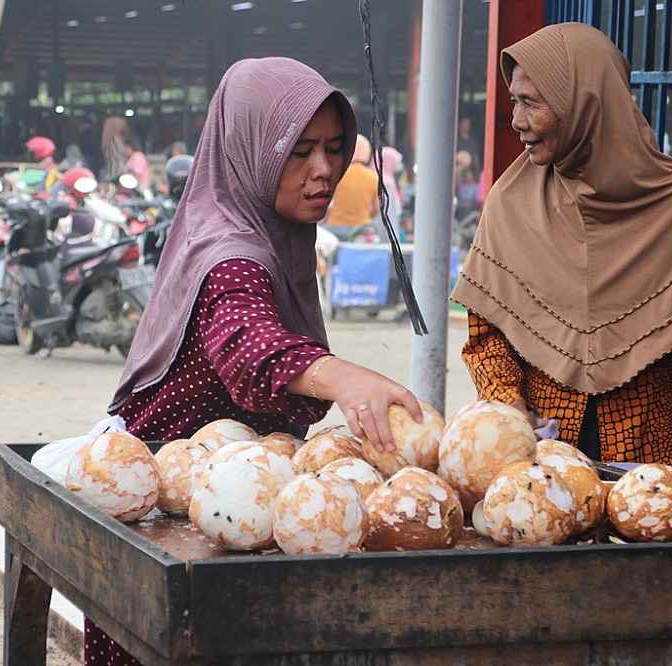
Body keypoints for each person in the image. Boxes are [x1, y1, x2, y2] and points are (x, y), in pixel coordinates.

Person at [88, 58, 423, 665]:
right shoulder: (232, 253)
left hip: (222, 524)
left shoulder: (265, 229)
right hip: (167, 532)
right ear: (249, 150)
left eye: (333, 148)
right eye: (298, 152)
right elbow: (247, 343)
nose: (323, 171)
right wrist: (341, 376)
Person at [451, 23, 672, 505]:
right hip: (540, 486)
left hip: (653, 491)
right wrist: (509, 409)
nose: (516, 120)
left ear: (586, 101)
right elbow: (485, 335)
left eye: (532, 102)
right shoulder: (511, 202)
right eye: (514, 101)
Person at [322, 133, 379, 239]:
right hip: (361, 229)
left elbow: (327, 202)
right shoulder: (373, 177)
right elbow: (376, 209)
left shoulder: (337, 173)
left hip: (335, 228)